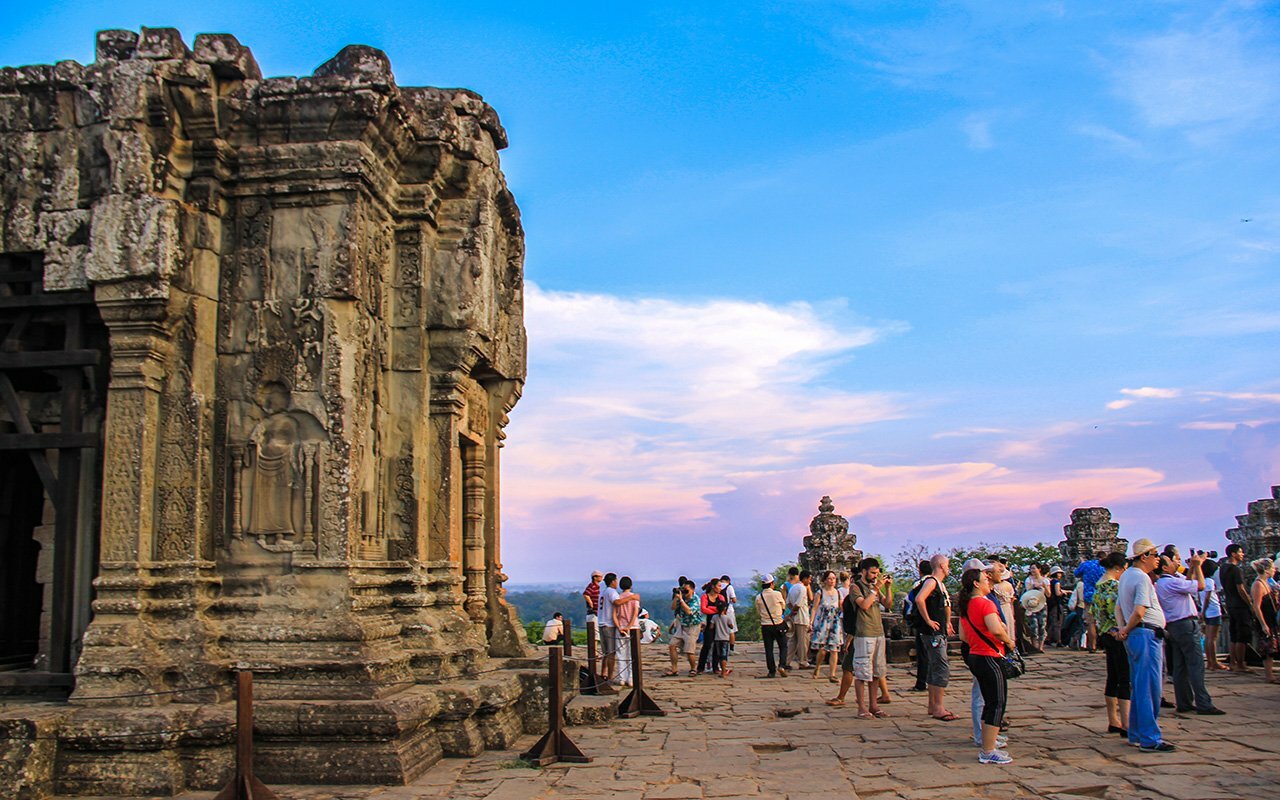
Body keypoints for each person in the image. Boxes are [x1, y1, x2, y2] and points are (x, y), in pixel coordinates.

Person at [1115, 538, 1176, 752]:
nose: (1158, 560)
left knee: (1139, 684)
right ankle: (1150, 738)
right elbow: (1139, 610)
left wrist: (1123, 628)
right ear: (1144, 557)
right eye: (1155, 555)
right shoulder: (1141, 578)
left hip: (1136, 634)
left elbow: (1118, 608)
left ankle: (1136, 733)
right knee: (1149, 687)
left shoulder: (1126, 577)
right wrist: (1127, 629)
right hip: (1144, 632)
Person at [957, 568, 1017, 764]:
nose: (988, 581)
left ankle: (987, 743)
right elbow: (995, 630)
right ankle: (988, 750)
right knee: (996, 703)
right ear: (976, 583)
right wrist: (1008, 641)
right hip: (989, 655)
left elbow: (963, 637)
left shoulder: (966, 606)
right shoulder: (985, 603)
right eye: (985, 579)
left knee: (989, 701)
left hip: (975, 655)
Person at [1154, 547, 1223, 715]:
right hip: (1185, 624)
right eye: (1172, 561)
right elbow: (1199, 585)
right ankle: (1203, 703)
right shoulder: (1171, 582)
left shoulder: (1162, 582)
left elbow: (1188, 581)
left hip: (1173, 626)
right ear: (1164, 567)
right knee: (1195, 664)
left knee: (1180, 666)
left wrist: (1192, 568)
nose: (1176, 562)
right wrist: (1198, 565)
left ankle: (1184, 701)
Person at [841, 557, 893, 718]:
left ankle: (874, 705)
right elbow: (864, 605)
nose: (875, 576)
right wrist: (875, 589)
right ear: (863, 572)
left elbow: (888, 604)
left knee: (877, 672)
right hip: (864, 633)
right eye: (872, 573)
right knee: (862, 671)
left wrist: (888, 588)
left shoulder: (874, 587)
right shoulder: (856, 587)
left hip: (878, 632)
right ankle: (861, 706)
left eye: (877, 573)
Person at [1091, 552, 1130, 737]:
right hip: (1117, 633)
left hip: (1105, 633)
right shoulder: (1114, 586)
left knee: (1112, 677)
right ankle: (1126, 723)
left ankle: (1113, 720)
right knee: (1124, 677)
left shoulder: (1098, 585)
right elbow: (1117, 611)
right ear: (1119, 568)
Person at [915, 554, 956, 721]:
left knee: (934, 666)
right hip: (933, 633)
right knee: (941, 667)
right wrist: (929, 620)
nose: (949, 568)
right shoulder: (931, 581)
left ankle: (933, 705)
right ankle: (938, 707)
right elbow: (919, 599)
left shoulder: (938, 584)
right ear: (941, 566)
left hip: (937, 631)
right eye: (947, 565)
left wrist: (947, 622)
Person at [1220, 544, 1253, 672]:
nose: (1242, 554)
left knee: (1234, 633)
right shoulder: (1235, 569)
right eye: (1240, 552)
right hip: (1239, 605)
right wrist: (1249, 602)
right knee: (1242, 635)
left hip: (1230, 603)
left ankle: (1233, 662)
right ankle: (1240, 664)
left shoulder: (1223, 568)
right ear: (1233, 554)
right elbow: (1241, 588)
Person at [1249, 558, 1279, 684]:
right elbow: (1256, 606)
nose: (1274, 570)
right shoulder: (1258, 584)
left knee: (1272, 647)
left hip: (1271, 617)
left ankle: (1270, 673)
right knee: (1267, 649)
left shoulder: (1266, 583)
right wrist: (1263, 624)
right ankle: (1268, 675)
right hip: (1265, 618)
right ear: (1266, 570)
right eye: (1272, 568)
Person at [810, 571, 843, 681]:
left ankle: (832, 674)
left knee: (834, 649)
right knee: (823, 650)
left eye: (833, 578)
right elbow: (814, 608)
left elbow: (841, 607)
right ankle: (818, 667)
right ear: (824, 580)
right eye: (829, 578)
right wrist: (811, 622)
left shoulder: (838, 593)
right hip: (823, 622)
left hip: (835, 622)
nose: (832, 580)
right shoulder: (820, 593)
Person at [665, 580, 702, 677]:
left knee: (689, 651)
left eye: (687, 590)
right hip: (682, 625)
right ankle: (674, 669)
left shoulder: (696, 599)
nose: (685, 593)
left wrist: (681, 600)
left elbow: (689, 611)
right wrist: (676, 598)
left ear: (693, 590)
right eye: (684, 590)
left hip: (692, 626)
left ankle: (693, 668)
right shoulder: (682, 598)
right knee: (672, 645)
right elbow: (673, 608)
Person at [755, 574, 788, 678]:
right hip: (778, 623)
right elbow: (783, 606)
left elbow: (758, 612)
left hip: (766, 625)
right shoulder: (777, 594)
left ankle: (771, 670)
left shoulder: (759, 597)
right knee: (783, 646)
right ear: (772, 584)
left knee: (768, 649)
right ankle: (782, 665)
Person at [1075, 550, 1108, 652]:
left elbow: (1076, 573)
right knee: (1106, 621)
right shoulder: (1106, 566)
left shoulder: (1087, 565)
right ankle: (1106, 645)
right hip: (1104, 595)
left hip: (1089, 596)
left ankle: (1092, 645)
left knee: (1091, 622)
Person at [612, 576, 641, 687]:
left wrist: (620, 627)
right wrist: (629, 627)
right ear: (631, 585)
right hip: (632, 627)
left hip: (620, 627)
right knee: (631, 654)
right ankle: (631, 678)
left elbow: (614, 614)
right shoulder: (634, 598)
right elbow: (635, 614)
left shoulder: (619, 597)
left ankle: (621, 678)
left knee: (621, 654)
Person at [908, 560, 932, 691]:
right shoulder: (938, 583)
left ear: (920, 570)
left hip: (923, 622)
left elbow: (911, 601)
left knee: (923, 654)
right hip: (937, 622)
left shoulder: (919, 584)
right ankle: (934, 681)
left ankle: (922, 682)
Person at [697, 579, 728, 676]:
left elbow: (723, 609)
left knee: (717, 646)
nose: (720, 588)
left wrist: (710, 609)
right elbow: (703, 609)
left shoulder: (721, 597)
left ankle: (715, 667)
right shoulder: (705, 597)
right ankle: (700, 667)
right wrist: (716, 610)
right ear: (713, 587)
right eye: (719, 586)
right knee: (707, 645)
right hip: (709, 624)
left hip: (719, 625)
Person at [1200, 559, 1225, 671]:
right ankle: (1213, 662)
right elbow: (1207, 597)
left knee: (1208, 638)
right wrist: (1204, 611)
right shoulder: (1209, 581)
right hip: (1213, 610)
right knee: (1212, 638)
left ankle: (1210, 661)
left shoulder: (1200, 581)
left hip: (1207, 611)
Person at [786, 570, 813, 670]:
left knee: (793, 641)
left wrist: (791, 614)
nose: (809, 582)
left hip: (795, 618)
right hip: (801, 618)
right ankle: (803, 661)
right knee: (803, 641)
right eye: (809, 579)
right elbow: (798, 604)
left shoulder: (793, 587)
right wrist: (792, 613)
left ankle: (786, 661)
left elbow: (788, 602)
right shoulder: (802, 588)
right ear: (805, 579)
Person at [1021, 564, 1049, 653]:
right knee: (1033, 626)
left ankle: (1040, 646)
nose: (1032, 570)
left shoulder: (1045, 580)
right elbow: (1028, 592)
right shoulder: (1029, 580)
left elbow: (1049, 594)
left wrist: (1044, 586)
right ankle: (1034, 646)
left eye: (1034, 568)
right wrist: (1033, 586)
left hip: (1042, 604)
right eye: (1031, 568)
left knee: (1042, 625)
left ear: (1039, 569)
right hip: (1031, 604)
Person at [597, 573, 620, 681]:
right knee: (611, 653)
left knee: (606, 652)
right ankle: (610, 676)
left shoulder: (603, 592)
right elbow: (617, 602)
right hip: (609, 624)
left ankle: (603, 673)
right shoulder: (612, 592)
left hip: (601, 623)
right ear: (613, 581)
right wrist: (632, 598)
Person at [1046, 566, 1067, 647]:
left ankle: (1049, 638)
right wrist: (1063, 593)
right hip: (1057, 603)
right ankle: (1058, 640)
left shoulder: (1050, 581)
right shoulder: (1056, 582)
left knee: (1051, 621)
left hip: (1051, 603)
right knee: (1058, 622)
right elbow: (1058, 593)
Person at [720, 575, 738, 651]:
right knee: (731, 630)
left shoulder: (717, 586)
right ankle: (731, 648)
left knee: (720, 628)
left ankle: (721, 647)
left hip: (719, 610)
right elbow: (734, 600)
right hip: (728, 610)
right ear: (728, 581)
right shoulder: (729, 587)